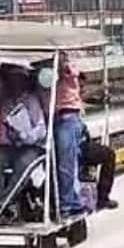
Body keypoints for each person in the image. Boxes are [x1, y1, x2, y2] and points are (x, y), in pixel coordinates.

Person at [0, 72, 47, 215]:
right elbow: (3, 129)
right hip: (10, 146)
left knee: (23, 163)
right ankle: (2, 201)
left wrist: (25, 136)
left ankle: (1, 204)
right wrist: (11, 136)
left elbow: (41, 129)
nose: (15, 84)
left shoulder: (32, 100)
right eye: (12, 81)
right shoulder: (5, 102)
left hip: (32, 146)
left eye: (18, 81)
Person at [52, 52, 88, 218]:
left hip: (68, 117)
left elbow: (70, 71)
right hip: (50, 116)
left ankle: (69, 203)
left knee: (66, 162)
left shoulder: (68, 68)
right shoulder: (44, 70)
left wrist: (59, 65)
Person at [76, 70, 118, 210]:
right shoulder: (67, 100)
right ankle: (102, 197)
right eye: (79, 87)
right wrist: (100, 88)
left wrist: (101, 100)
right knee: (109, 155)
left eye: (83, 87)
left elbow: (84, 99)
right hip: (77, 146)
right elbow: (79, 98)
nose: (82, 90)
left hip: (81, 142)